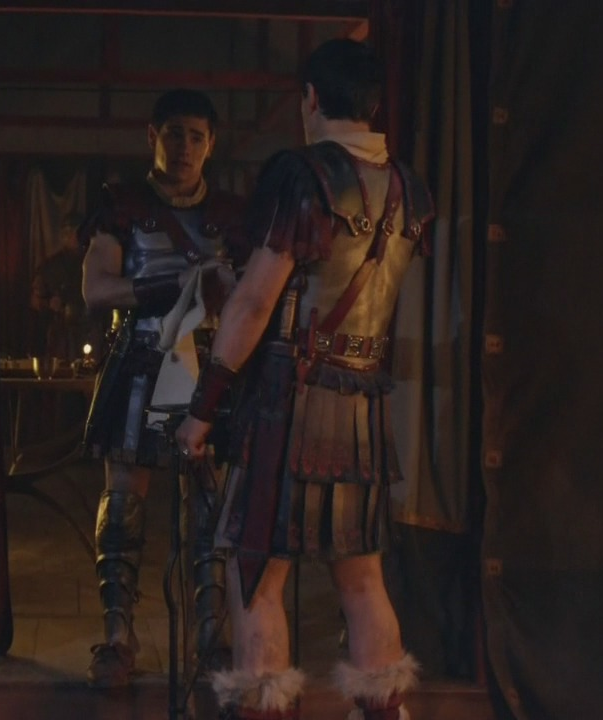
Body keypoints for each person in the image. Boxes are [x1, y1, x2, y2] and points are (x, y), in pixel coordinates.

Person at [175, 39, 434, 720]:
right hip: (361, 402)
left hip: (286, 400)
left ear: (312, 98)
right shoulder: (408, 186)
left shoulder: (302, 174)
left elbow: (255, 303)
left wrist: (203, 408)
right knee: (362, 577)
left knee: (256, 573)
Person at [78, 88, 247, 689]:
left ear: (211, 144)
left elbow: (247, 297)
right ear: (152, 136)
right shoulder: (120, 206)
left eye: (196, 136)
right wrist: (171, 287)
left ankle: (212, 638)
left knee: (210, 510)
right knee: (123, 507)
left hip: (210, 367)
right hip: (138, 362)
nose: (184, 147)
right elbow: (96, 290)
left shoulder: (230, 215)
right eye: (174, 133)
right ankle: (117, 638)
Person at [29, 214, 90, 361]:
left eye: (74, 231)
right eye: (66, 232)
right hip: (60, 335)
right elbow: (35, 301)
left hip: (88, 330)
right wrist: (48, 303)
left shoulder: (92, 263)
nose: (70, 236)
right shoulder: (49, 266)